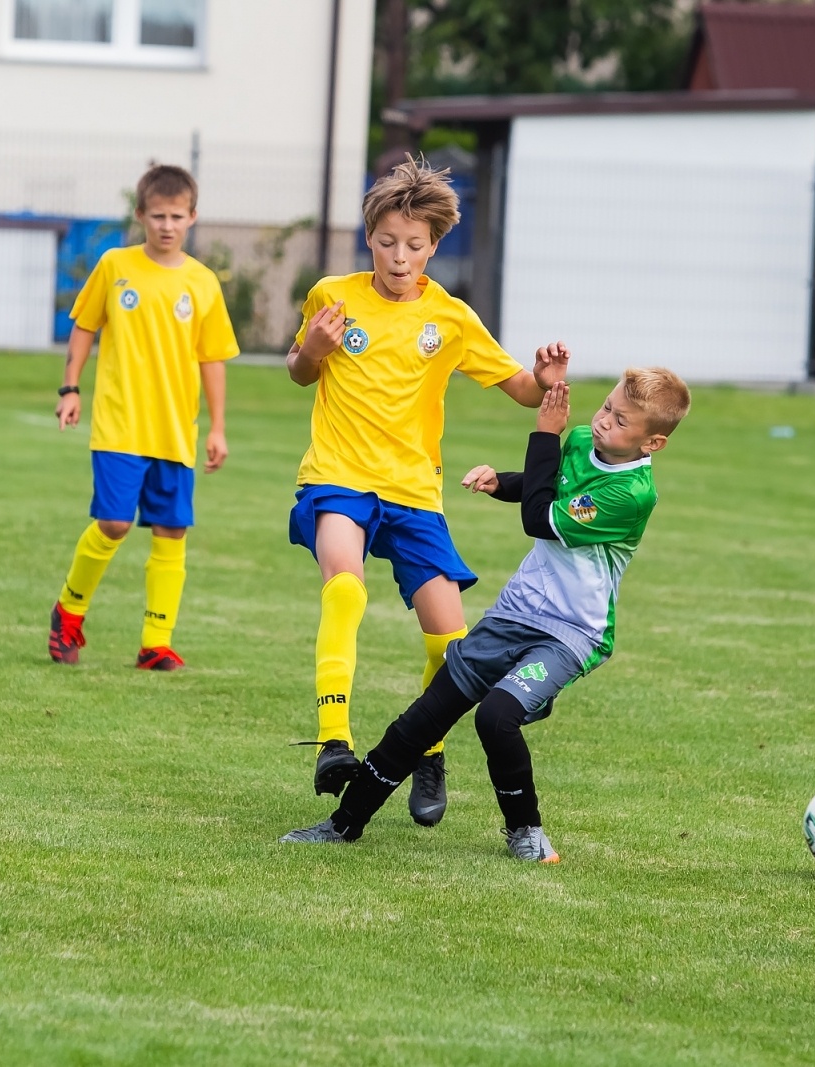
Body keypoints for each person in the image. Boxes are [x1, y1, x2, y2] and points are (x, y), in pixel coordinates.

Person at [281, 369, 688, 861]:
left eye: (620, 420)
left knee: (497, 716)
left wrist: (543, 433)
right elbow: (550, 488)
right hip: (516, 612)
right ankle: (343, 824)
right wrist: (503, 484)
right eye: (605, 407)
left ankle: (527, 831)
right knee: (427, 714)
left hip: (570, 634)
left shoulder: (633, 494)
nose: (602, 422)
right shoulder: (582, 442)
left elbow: (540, 518)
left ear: (654, 442)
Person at [286, 157, 567, 822]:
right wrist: (314, 348)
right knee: (344, 583)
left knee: (451, 638)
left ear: (434, 245)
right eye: (387, 242)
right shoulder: (333, 294)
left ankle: (430, 751)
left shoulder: (451, 317)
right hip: (338, 475)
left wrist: (544, 375)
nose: (399, 256)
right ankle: (333, 739)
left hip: (414, 490)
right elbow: (299, 372)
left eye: (414, 245)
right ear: (369, 237)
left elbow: (521, 390)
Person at [48, 164, 239, 670]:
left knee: (171, 532)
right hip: (119, 424)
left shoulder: (201, 282)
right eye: (158, 215)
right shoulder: (115, 265)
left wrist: (217, 427)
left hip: (175, 431)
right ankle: (68, 612)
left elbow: (212, 358)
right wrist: (71, 388)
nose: (167, 225)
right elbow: (84, 327)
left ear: (193, 217)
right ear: (140, 215)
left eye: (177, 216)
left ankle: (156, 642)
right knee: (112, 523)